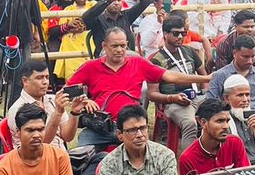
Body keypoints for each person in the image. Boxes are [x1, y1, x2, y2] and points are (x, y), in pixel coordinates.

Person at [69, 28, 209, 150]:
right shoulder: (90, 67)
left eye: (123, 46)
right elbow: (67, 89)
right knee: (81, 158)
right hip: (100, 126)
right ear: (104, 46)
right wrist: (85, 100)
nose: (119, 50)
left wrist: (205, 78)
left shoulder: (138, 63)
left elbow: (171, 76)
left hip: (132, 127)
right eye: (114, 46)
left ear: (127, 46)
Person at [206, 34, 255, 137]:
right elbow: (210, 102)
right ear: (234, 53)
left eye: (253, 56)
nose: (250, 61)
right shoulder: (220, 75)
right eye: (245, 57)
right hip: (229, 120)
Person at [147, 14, 204, 153]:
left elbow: (203, 75)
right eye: (175, 33)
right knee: (190, 124)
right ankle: (190, 163)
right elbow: (152, 94)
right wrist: (172, 98)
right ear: (165, 34)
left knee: (222, 111)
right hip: (174, 102)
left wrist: (207, 93)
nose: (180, 37)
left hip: (197, 96)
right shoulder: (156, 60)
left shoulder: (189, 51)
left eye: (183, 33)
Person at [97, 104, 178, 175]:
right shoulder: (110, 163)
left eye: (143, 128)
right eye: (132, 130)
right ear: (119, 135)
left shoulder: (165, 156)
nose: (139, 135)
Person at [7, 60, 79, 151]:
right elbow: (40, 144)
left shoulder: (53, 100)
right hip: (36, 161)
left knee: (99, 159)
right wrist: (57, 114)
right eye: (39, 78)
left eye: (47, 77)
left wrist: (75, 112)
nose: (45, 82)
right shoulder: (18, 109)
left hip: (62, 157)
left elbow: (67, 137)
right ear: (25, 81)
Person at [178, 99, 250, 175]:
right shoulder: (188, 158)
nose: (226, 126)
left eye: (227, 121)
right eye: (220, 121)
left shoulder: (235, 143)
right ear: (203, 123)